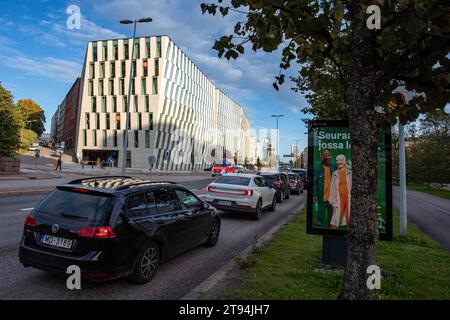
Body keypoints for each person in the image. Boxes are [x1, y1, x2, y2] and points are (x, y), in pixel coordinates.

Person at [313, 149, 337, 227]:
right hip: (321, 194)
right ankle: (320, 222)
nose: (327, 156)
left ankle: (331, 224)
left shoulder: (334, 167)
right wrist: (315, 194)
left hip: (332, 194)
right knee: (321, 209)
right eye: (325, 155)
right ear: (321, 156)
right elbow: (315, 183)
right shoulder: (318, 168)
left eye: (328, 155)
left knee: (331, 211)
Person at [329, 154, 352, 229]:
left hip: (349, 198)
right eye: (337, 160)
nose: (339, 162)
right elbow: (332, 187)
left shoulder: (350, 173)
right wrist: (332, 201)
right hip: (339, 198)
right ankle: (331, 235)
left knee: (350, 217)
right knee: (335, 219)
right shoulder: (334, 174)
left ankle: (351, 235)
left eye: (341, 160)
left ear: (345, 161)